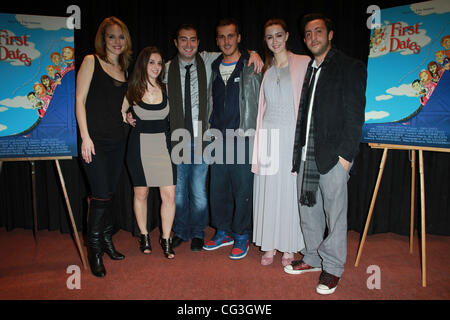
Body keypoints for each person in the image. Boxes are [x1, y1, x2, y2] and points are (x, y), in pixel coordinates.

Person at [127, 24, 262, 252]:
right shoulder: (166, 69)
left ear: (199, 43)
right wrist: (129, 114)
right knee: (178, 191)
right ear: (175, 42)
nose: (188, 44)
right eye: (183, 40)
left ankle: (198, 231)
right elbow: (144, 91)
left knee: (199, 189)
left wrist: (254, 53)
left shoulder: (208, 60)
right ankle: (180, 230)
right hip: (176, 136)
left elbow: (232, 50)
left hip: (203, 136)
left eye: (192, 40)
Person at [286, 13, 367, 295]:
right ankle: (310, 257)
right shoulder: (311, 68)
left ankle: (332, 268)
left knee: (335, 215)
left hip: (334, 156)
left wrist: (346, 156)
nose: (312, 38)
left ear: (330, 35)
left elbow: (356, 116)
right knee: (308, 209)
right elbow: (305, 116)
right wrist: (298, 155)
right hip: (307, 153)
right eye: (308, 33)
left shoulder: (349, 66)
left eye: (318, 31)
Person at [75, 16, 132, 277]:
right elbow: (79, 99)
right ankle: (94, 250)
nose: (117, 42)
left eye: (121, 37)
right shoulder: (90, 61)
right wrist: (85, 137)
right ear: (103, 39)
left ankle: (107, 240)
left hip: (117, 140)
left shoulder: (125, 69)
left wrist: (127, 116)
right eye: (112, 36)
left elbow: (120, 106)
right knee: (99, 196)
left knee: (108, 193)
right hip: (94, 141)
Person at [251, 18, 310, 267]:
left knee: (287, 191)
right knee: (268, 191)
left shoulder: (303, 62)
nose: (274, 41)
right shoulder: (266, 68)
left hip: (290, 136)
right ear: (265, 41)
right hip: (268, 135)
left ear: (286, 36)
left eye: (278, 35)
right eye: (269, 37)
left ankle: (287, 245)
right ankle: (269, 244)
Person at [202, 18, 262, 260]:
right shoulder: (213, 65)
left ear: (239, 37)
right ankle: (223, 232)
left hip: (243, 136)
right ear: (217, 40)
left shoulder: (253, 64)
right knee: (218, 190)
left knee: (242, 189)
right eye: (221, 37)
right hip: (217, 136)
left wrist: (255, 52)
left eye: (230, 36)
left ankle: (241, 235)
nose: (226, 41)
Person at [122, 46, 176, 259]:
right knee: (141, 194)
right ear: (143, 64)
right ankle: (144, 235)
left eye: (159, 63)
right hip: (139, 149)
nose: (156, 67)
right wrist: (125, 117)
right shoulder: (132, 89)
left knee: (169, 196)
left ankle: (166, 238)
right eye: (151, 62)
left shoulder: (167, 89)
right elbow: (119, 111)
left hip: (163, 148)